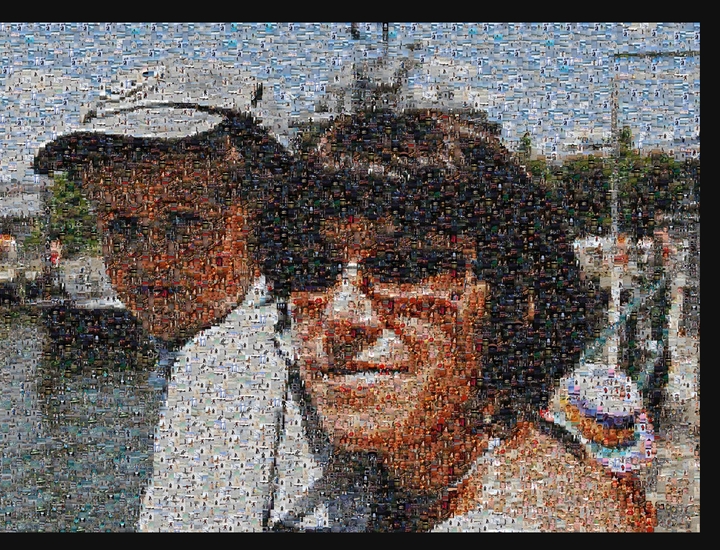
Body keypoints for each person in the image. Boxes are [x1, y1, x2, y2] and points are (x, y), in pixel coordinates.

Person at [256, 107, 657, 531]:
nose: (341, 315)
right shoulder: (415, 479)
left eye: (405, 268)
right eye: (310, 270)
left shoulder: (519, 518)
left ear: (511, 302)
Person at [33, 103, 294, 531]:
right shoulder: (287, 340)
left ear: (265, 220)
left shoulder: (223, 370)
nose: (151, 259)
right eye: (121, 225)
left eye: (183, 220)